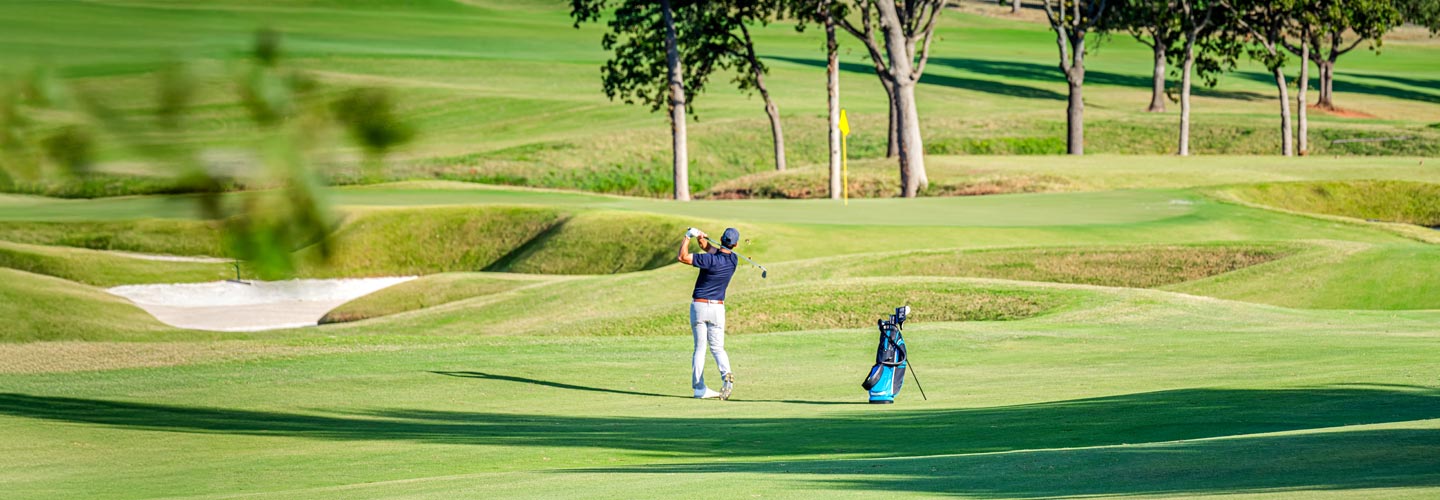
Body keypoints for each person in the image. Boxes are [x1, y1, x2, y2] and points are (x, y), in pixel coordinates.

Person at [677, 226, 740, 400]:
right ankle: (726, 374)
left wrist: (688, 236)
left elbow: (682, 257)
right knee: (718, 348)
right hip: (718, 309)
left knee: (700, 348)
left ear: (721, 238)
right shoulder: (733, 260)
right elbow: (708, 247)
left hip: (699, 306)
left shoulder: (709, 260)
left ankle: (699, 388)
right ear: (735, 244)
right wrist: (701, 238)